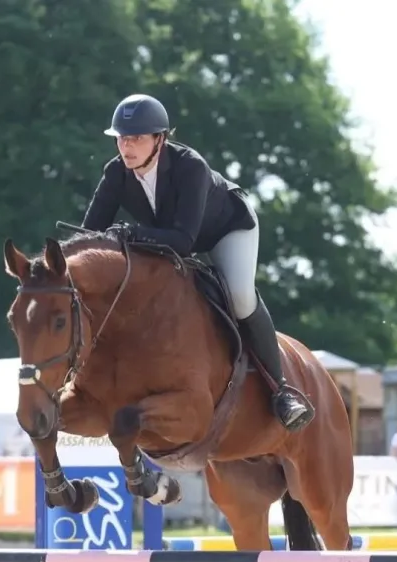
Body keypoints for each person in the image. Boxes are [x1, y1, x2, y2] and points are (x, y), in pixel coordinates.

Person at [81, 93, 315, 432]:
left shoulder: (190, 166)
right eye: (121, 138)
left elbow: (183, 241)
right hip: (169, 237)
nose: (127, 146)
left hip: (224, 230)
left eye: (137, 138)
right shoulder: (116, 172)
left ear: (160, 139)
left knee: (239, 296)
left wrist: (130, 233)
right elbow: (90, 235)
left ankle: (281, 391)